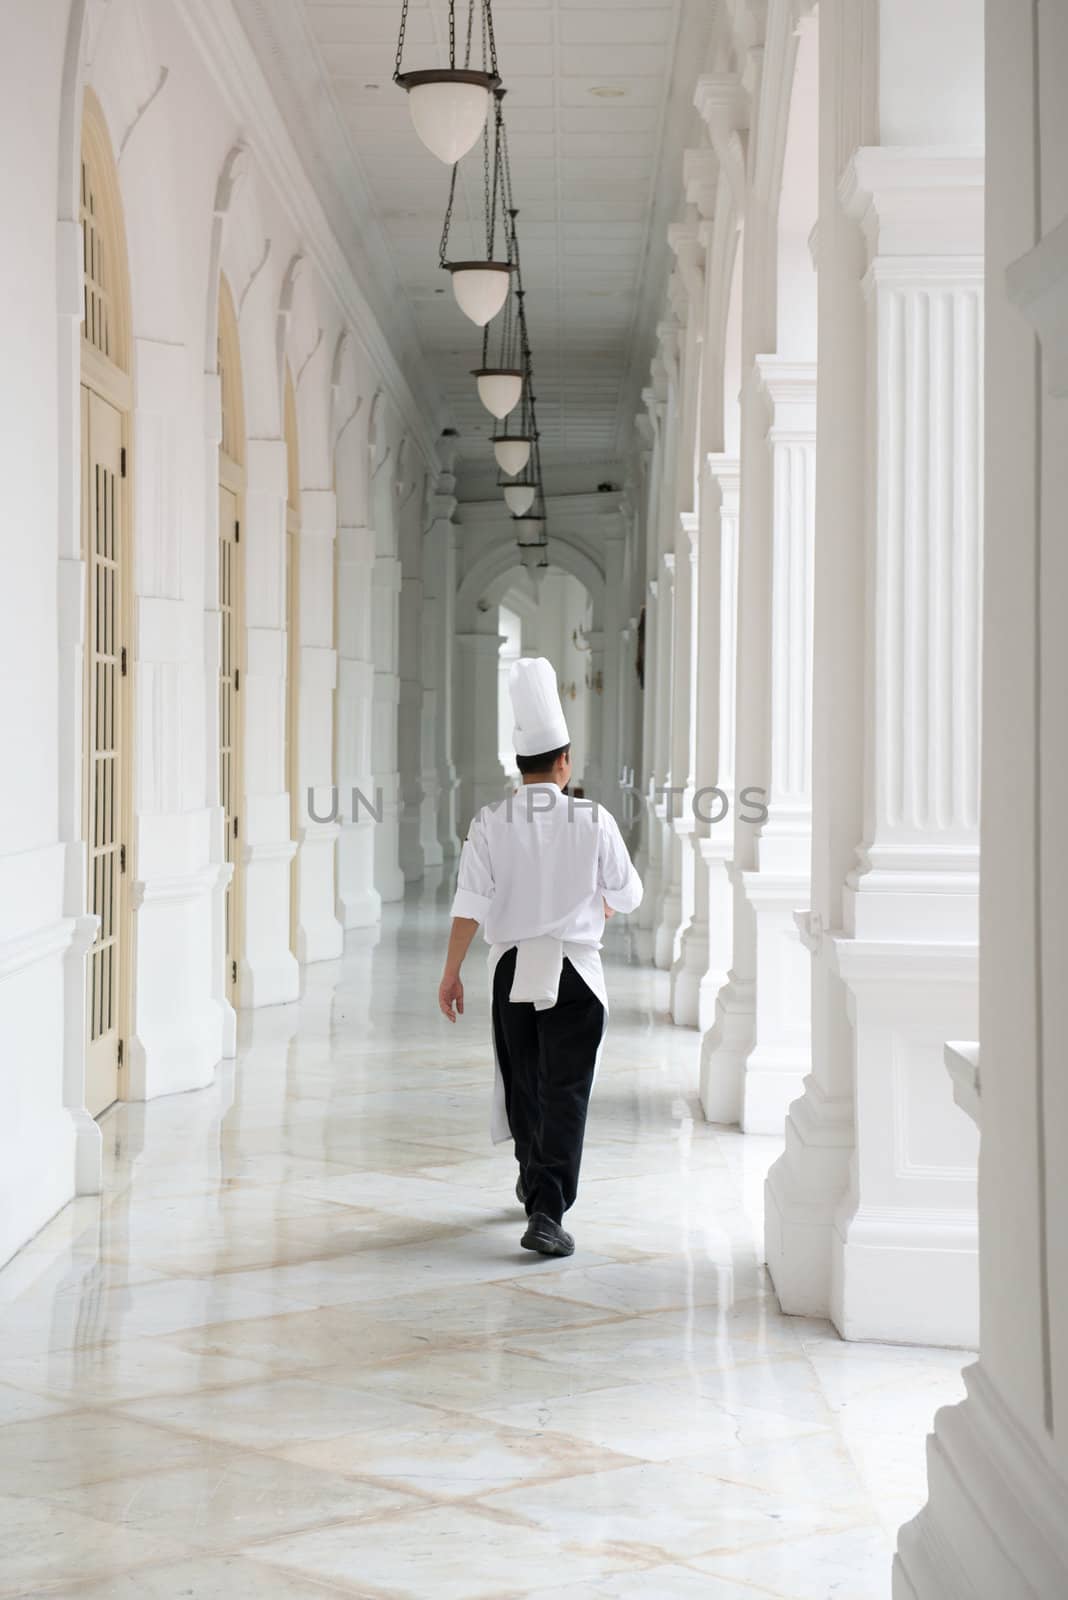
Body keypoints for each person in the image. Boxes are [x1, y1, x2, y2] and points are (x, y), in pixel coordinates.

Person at [438, 656, 642, 1257]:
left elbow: (470, 904)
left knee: (525, 1084)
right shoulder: (593, 819)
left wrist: (451, 972)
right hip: (578, 976)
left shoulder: (490, 822)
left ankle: (536, 1186)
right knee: (566, 1092)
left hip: (510, 974)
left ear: (519, 767)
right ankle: (547, 1208)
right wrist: (599, 905)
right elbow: (627, 893)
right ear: (564, 762)